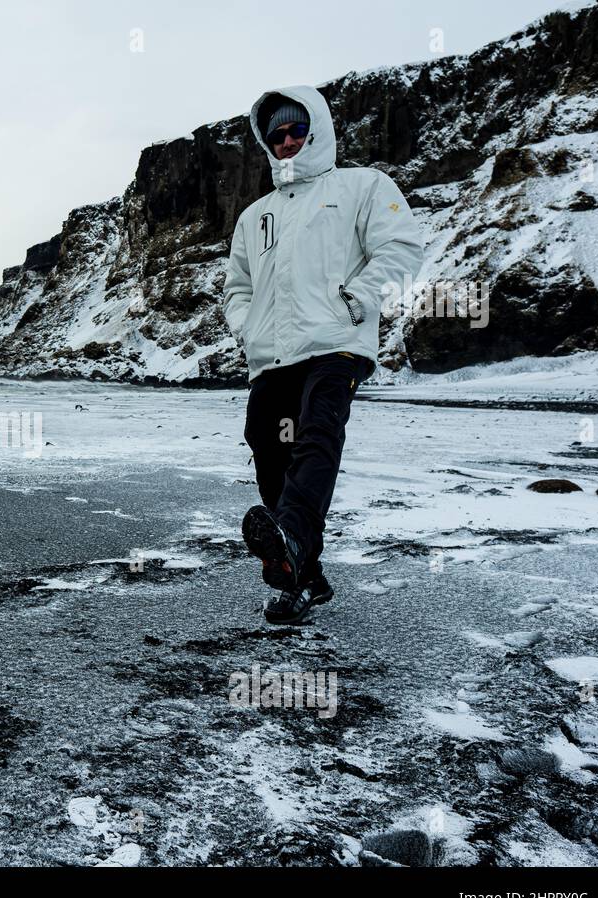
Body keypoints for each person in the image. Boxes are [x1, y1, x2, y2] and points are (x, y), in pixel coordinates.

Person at [222, 86, 424, 624]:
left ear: (317, 129)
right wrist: (246, 328)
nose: (287, 141)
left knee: (318, 432)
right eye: (276, 134)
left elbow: (402, 246)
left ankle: (290, 536)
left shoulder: (362, 187)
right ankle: (303, 576)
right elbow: (236, 287)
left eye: (296, 129)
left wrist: (358, 297)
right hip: (273, 356)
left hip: (337, 345)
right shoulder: (254, 217)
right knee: (269, 448)